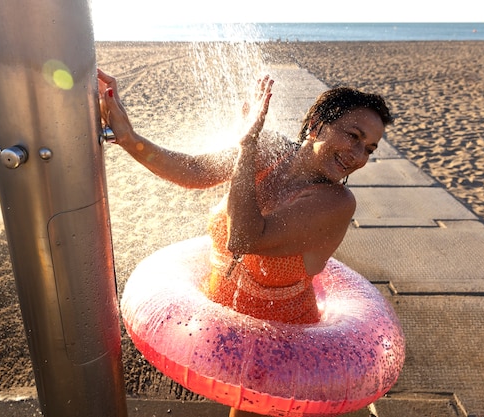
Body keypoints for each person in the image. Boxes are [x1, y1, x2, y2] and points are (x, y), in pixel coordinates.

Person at [98, 69, 393, 417]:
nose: (359, 156)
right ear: (317, 124)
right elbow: (193, 172)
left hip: (280, 345)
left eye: (369, 148)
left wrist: (246, 146)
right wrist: (128, 136)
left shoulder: (336, 202)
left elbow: (245, 237)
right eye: (353, 136)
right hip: (225, 320)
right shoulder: (269, 150)